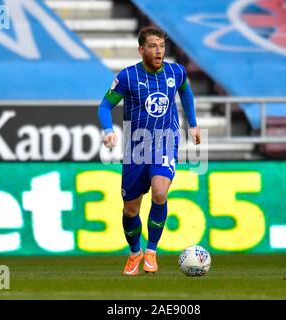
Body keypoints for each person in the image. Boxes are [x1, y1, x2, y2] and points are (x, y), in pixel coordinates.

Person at [97, 27, 200, 276]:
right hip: (136, 147)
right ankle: (135, 253)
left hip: (165, 141)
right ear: (141, 50)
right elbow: (104, 106)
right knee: (130, 210)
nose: (159, 51)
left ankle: (151, 251)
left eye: (162, 46)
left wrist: (193, 123)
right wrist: (108, 129)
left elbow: (185, 91)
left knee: (160, 192)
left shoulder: (176, 71)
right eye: (153, 46)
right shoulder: (128, 77)